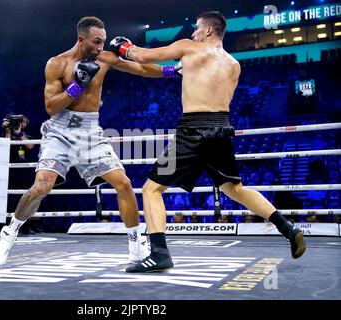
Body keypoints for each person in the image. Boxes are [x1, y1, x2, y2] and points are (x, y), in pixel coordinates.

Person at [110, 11, 306, 273]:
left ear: (209, 31)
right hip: (222, 129)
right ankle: (288, 228)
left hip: (193, 130)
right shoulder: (234, 64)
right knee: (234, 188)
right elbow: (190, 76)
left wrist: (123, 46)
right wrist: (173, 68)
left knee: (151, 189)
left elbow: (143, 57)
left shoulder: (190, 48)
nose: (193, 34)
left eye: (197, 29)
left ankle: (158, 253)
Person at [0, 16, 178, 265]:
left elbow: (142, 69)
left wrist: (171, 70)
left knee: (123, 183)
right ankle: (10, 231)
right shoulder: (56, 64)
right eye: (97, 42)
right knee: (42, 186)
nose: (101, 46)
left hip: (90, 130)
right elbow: (50, 106)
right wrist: (77, 86)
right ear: (82, 40)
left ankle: (136, 246)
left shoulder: (105, 58)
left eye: (103, 41)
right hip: (60, 130)